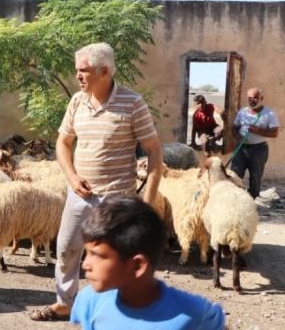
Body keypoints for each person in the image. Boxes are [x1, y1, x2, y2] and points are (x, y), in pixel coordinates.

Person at [29, 42, 164, 321]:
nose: (77, 76)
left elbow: (154, 151)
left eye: (83, 70)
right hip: (80, 195)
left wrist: (147, 204)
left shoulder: (132, 103)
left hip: (117, 198)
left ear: (104, 71)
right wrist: (72, 177)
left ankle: (112, 311)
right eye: (77, 70)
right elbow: (63, 143)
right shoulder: (77, 102)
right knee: (66, 249)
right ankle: (66, 303)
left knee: (112, 258)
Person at [70, 196, 226, 330]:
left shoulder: (194, 313)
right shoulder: (89, 300)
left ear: (137, 266)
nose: (85, 264)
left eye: (97, 256)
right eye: (87, 253)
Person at [230, 87, 280, 199]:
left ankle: (253, 199)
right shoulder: (242, 112)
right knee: (235, 175)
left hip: (259, 149)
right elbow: (234, 128)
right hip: (241, 148)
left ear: (261, 98)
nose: (252, 100)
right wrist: (238, 137)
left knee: (255, 177)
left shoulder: (269, 113)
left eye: (255, 98)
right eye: (250, 98)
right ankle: (235, 198)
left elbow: (275, 133)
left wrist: (257, 131)